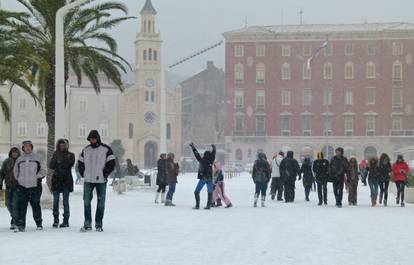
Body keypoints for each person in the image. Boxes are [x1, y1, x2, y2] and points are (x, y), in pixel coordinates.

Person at [78, 130, 115, 232]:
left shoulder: (106, 149)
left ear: (98, 138)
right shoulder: (86, 150)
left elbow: (111, 163)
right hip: (88, 180)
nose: (92, 140)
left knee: (101, 203)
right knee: (86, 202)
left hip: (101, 180)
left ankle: (98, 224)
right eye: (91, 139)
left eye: (94, 138)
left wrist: (105, 173)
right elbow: (80, 163)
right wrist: (83, 173)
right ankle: (87, 223)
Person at [13, 141, 46, 232]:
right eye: (25, 146)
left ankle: (39, 224)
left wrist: (37, 177)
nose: (27, 148)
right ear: (23, 148)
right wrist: (19, 179)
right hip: (22, 186)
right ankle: (21, 226)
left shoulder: (38, 158)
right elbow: (15, 171)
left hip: (35, 186)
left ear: (32, 147)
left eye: (29, 146)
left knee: (35, 205)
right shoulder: (20, 159)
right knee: (22, 207)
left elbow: (44, 170)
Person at [49, 139, 75, 228]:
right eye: (60, 145)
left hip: (66, 181)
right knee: (55, 201)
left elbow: (69, 165)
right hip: (56, 180)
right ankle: (55, 220)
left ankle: (66, 220)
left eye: (64, 145)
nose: (62, 146)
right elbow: (51, 166)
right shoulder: (55, 154)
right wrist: (56, 160)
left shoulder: (71, 155)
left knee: (65, 201)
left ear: (67, 145)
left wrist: (61, 162)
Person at [0, 146, 21, 230]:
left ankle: (15, 222)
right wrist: (0, 183)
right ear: (11, 153)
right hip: (8, 186)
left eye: (16, 152)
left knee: (15, 204)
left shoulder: (21, 161)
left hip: (18, 187)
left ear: (18, 153)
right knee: (8, 204)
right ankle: (16, 219)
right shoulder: (6, 161)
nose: (14, 153)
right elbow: (1, 173)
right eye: (13, 152)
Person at [190, 143, 216, 210]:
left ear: (204, 155)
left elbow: (197, 154)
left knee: (196, 191)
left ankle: (197, 205)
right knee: (210, 192)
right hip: (210, 178)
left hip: (203, 178)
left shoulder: (202, 160)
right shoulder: (211, 160)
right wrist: (214, 148)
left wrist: (193, 147)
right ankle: (208, 206)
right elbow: (213, 154)